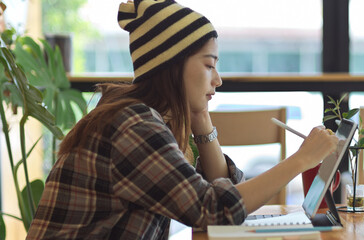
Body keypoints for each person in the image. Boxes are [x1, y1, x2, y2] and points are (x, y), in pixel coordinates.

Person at [26, 0, 339, 239]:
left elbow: (222, 190)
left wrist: (201, 120)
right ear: (172, 66)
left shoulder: (145, 117)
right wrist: (301, 160)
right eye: (208, 65)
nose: (217, 79)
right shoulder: (133, 124)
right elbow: (215, 209)